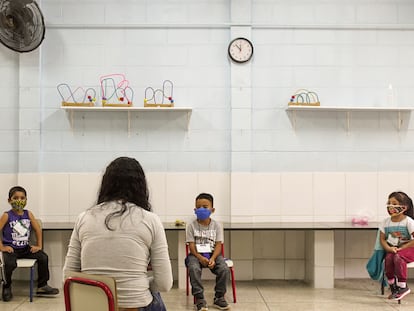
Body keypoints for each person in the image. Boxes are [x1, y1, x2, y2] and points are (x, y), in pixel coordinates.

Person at [63, 156, 172, 311]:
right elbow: (164, 284)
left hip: (91, 306)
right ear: (141, 186)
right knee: (156, 296)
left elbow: (68, 275)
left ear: (106, 184)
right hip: (133, 306)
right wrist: (138, 284)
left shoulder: (84, 218)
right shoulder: (150, 220)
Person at [0, 186, 59, 302]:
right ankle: (7, 287)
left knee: (43, 257)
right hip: (11, 249)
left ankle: (42, 286)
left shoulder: (29, 214)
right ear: (9, 200)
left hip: (25, 248)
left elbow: (38, 229)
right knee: (9, 264)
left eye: (22, 198)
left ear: (26, 200)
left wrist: (39, 245)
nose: (19, 200)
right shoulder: (7, 215)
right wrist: (1, 246)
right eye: (15, 198)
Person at [185, 193, 230, 311]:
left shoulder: (217, 226)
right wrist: (200, 258)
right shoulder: (191, 226)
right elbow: (191, 246)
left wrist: (213, 258)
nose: (201, 210)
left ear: (212, 209)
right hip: (196, 255)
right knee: (193, 268)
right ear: (195, 210)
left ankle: (219, 298)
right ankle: (199, 299)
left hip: (213, 254)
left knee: (224, 269)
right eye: (198, 207)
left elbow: (218, 245)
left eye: (205, 207)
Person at [379, 191, 414, 300]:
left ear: (404, 207)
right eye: (389, 203)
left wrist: (402, 248)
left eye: (394, 204)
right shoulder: (385, 222)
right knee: (389, 259)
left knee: (398, 257)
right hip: (394, 249)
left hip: (410, 249)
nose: (391, 206)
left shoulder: (409, 222)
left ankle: (403, 286)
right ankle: (393, 286)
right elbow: (382, 240)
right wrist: (389, 248)